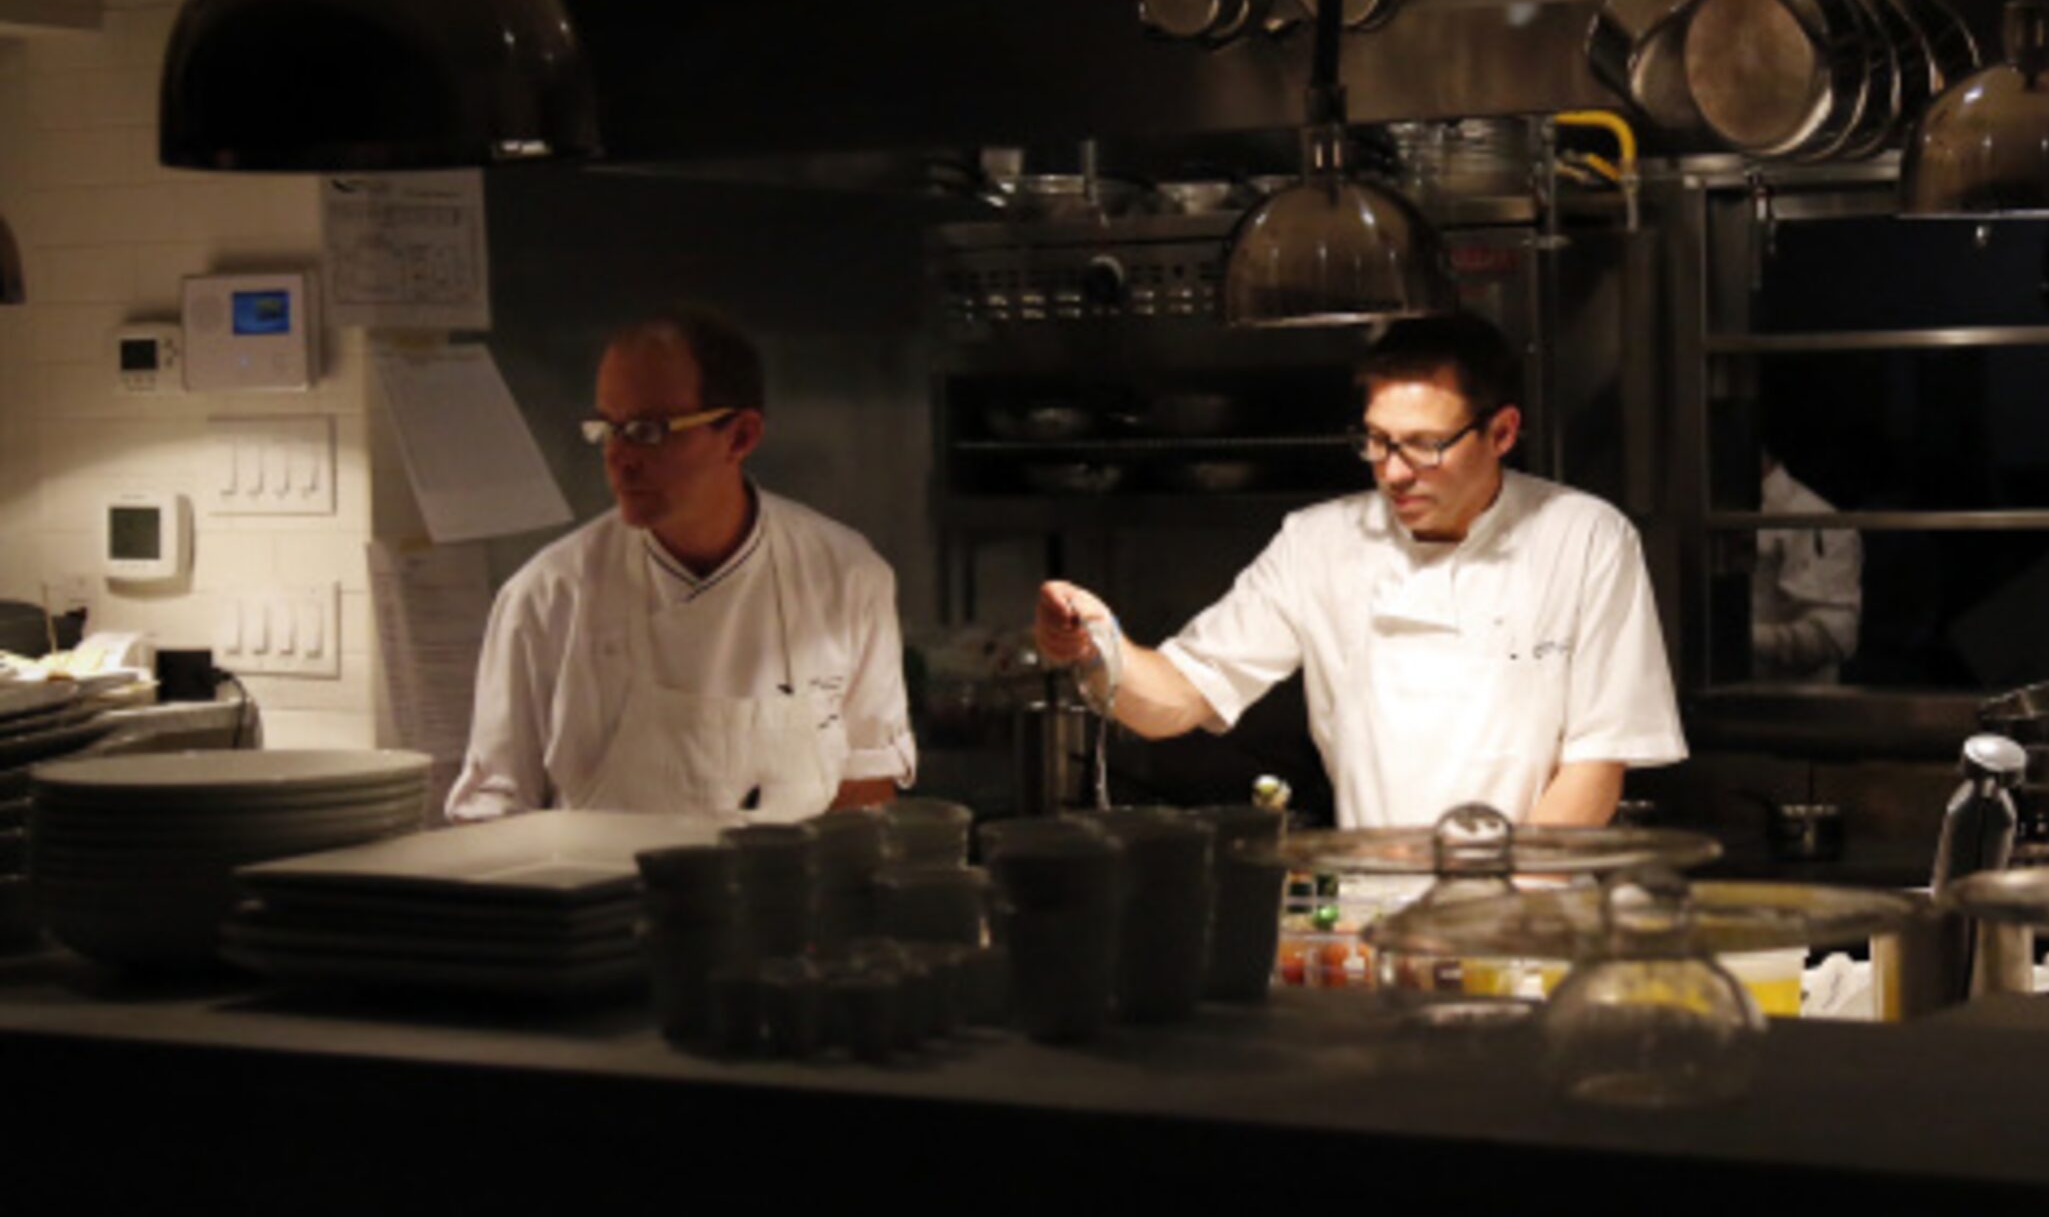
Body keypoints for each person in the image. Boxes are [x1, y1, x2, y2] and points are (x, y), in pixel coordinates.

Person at [1033, 313, 1686, 830]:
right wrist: (1098, 648)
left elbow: (1595, 767)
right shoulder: (1318, 543)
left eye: (1425, 445)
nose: (1394, 472)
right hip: (1374, 914)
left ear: (1503, 431)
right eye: (1377, 441)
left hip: (1528, 919)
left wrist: (1492, 909)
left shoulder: (1585, 539)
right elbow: (1178, 697)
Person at [446, 308, 914, 823]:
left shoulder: (847, 577)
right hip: (602, 899)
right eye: (609, 429)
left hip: (783, 899)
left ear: (741, 436)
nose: (619, 457)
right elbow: (494, 810)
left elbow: (866, 785)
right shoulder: (547, 596)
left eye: (648, 430)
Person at [1754, 451, 1862, 683]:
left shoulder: (1815, 519)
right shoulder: (1709, 511)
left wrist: (1739, 640)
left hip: (1791, 706)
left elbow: (1835, 634)